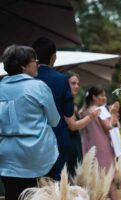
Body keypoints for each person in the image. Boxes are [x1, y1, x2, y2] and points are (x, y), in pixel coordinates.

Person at [0, 45, 59, 200]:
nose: (38, 64)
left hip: (6, 157)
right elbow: (54, 120)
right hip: (36, 155)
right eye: (35, 61)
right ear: (23, 66)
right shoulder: (38, 87)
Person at [32, 37, 74, 181]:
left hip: (33, 141)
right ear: (53, 57)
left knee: (37, 186)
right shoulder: (61, 79)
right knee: (57, 185)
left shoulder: (28, 79)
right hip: (58, 138)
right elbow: (69, 111)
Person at [80, 87, 121, 200]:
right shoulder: (99, 110)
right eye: (102, 95)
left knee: (94, 178)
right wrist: (112, 115)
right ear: (94, 97)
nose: (105, 98)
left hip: (89, 147)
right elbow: (109, 127)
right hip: (103, 146)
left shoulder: (84, 110)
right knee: (109, 177)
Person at [64, 72, 100, 178]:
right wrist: (91, 117)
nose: (77, 86)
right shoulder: (65, 101)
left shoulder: (71, 102)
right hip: (69, 144)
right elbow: (73, 126)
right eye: (73, 83)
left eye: (78, 84)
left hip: (75, 142)